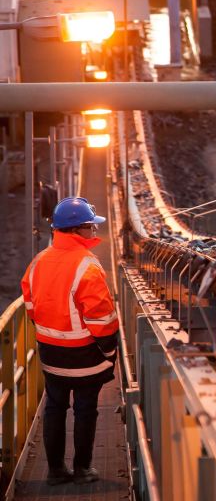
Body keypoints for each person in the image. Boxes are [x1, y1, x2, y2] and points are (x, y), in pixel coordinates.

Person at [21, 197, 118, 486]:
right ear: (78, 230)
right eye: (91, 227)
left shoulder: (38, 262)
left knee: (55, 406)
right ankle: (83, 469)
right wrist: (109, 351)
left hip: (51, 354)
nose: (94, 232)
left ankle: (54, 471)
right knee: (85, 409)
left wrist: (50, 332)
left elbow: (29, 305)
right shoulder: (87, 266)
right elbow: (102, 319)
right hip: (84, 356)